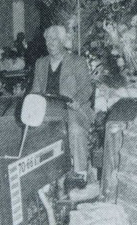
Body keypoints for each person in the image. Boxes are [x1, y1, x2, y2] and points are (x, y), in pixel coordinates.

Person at [31, 25, 93, 187]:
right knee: (31, 130)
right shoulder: (41, 63)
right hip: (49, 110)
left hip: (72, 109)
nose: (49, 43)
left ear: (63, 41)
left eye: (54, 39)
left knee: (75, 129)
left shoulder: (77, 62)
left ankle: (80, 172)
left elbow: (87, 87)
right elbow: (35, 91)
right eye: (47, 39)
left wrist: (77, 100)